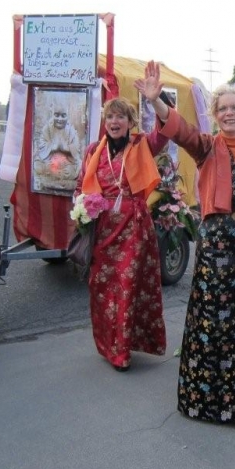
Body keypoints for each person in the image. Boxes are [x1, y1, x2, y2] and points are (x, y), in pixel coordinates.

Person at [135, 61, 235, 428]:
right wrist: (157, 101)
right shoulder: (206, 146)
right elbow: (180, 130)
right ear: (215, 114)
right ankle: (205, 403)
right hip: (215, 253)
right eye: (222, 108)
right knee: (211, 324)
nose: (229, 113)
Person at [73, 97, 169, 372]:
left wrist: (156, 99)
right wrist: (80, 209)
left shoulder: (141, 145)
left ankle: (122, 352)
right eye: (110, 117)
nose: (114, 122)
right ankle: (109, 345)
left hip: (133, 229)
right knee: (102, 287)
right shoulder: (94, 150)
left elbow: (164, 131)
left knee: (127, 286)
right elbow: (80, 186)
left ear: (130, 121)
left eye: (120, 117)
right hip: (102, 228)